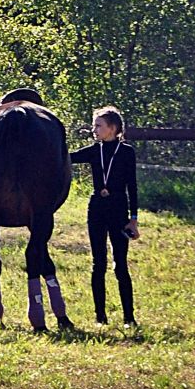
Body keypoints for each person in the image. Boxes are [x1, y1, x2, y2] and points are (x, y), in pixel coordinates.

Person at [71, 106, 141, 326]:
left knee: (120, 263)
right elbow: (66, 157)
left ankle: (129, 317)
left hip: (119, 208)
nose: (94, 129)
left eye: (98, 125)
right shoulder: (94, 150)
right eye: (94, 125)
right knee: (97, 263)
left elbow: (133, 186)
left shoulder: (127, 152)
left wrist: (134, 218)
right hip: (97, 209)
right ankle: (100, 317)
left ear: (112, 128)